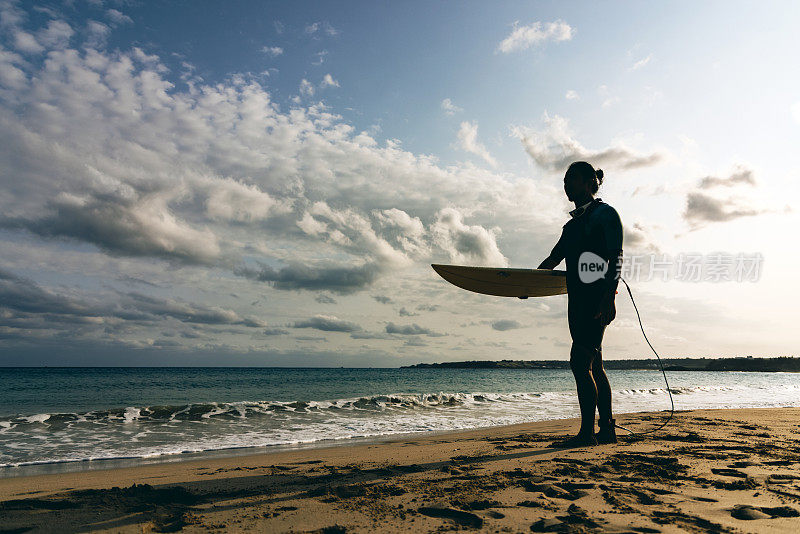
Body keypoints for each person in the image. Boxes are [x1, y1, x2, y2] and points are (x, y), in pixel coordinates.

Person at [537, 161, 623, 447]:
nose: (566, 184)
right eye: (564, 180)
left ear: (589, 183)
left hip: (596, 302)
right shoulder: (572, 226)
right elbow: (552, 260)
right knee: (595, 364)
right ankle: (607, 430)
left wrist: (608, 298)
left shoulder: (606, 215)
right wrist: (524, 285)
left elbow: (616, 258)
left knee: (579, 362)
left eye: (571, 179)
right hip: (577, 302)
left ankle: (587, 434)